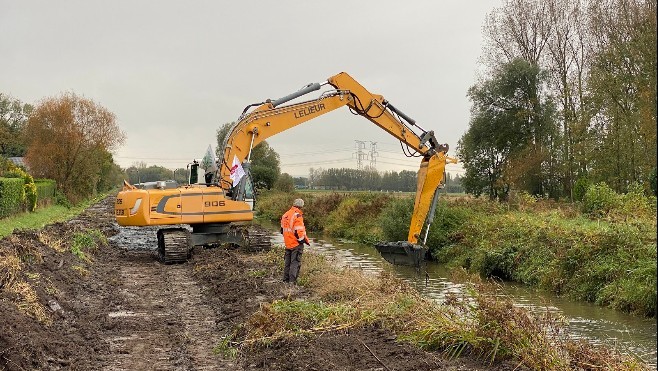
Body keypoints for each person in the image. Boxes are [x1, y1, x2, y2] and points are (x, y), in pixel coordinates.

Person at [280, 198, 310, 284]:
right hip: (296, 243)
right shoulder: (297, 216)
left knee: (287, 262)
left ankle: (285, 280)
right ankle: (292, 282)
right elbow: (299, 231)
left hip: (288, 243)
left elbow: (282, 230)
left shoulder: (285, 214)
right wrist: (302, 241)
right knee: (295, 262)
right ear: (301, 206)